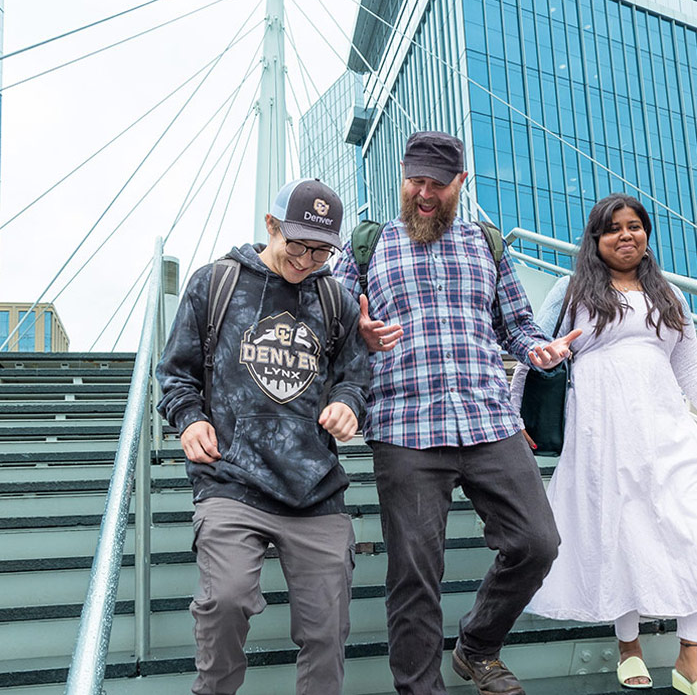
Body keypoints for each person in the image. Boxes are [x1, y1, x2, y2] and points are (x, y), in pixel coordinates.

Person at [331, 131, 580, 695]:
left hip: (489, 420)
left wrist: (538, 349)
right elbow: (334, 326)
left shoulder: (486, 244)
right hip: (405, 427)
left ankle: (477, 647)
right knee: (415, 575)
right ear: (401, 178)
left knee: (537, 542)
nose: (423, 194)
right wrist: (358, 333)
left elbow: (516, 324)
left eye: (436, 185)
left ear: (459, 185)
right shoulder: (369, 246)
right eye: (414, 181)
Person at [511, 194, 697, 695]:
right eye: (613, 228)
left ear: (647, 235)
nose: (625, 235)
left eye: (635, 226)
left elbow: (690, 363)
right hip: (600, 431)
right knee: (618, 528)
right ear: (595, 239)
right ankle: (628, 646)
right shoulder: (570, 290)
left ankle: (691, 658)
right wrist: (516, 407)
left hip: (667, 425)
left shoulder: (668, 294)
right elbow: (531, 352)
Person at [156, 179, 370, 695]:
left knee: (327, 630)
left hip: (315, 490)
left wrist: (347, 403)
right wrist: (190, 420)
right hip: (232, 480)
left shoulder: (334, 299)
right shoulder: (216, 283)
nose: (307, 259)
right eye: (297, 244)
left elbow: (354, 375)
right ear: (272, 226)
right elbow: (175, 373)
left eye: (322, 250)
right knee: (224, 603)